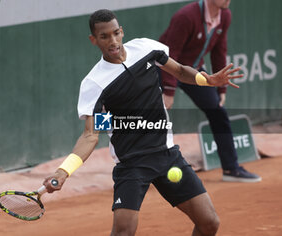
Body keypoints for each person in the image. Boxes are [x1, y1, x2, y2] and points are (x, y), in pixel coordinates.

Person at [42, 9, 243, 236]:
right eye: (104, 36)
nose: (113, 41)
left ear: (122, 31)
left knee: (209, 223)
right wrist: (62, 172)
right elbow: (91, 135)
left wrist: (205, 80)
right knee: (123, 232)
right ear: (94, 40)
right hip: (132, 164)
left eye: (116, 33)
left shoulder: (147, 49)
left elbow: (178, 71)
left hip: (167, 156)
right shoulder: (96, 84)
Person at [159, 0, 261, 182]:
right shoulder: (186, 16)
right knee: (153, 117)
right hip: (166, 69)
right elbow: (170, 54)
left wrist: (221, 86)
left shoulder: (225, 16)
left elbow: (219, 51)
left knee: (218, 112)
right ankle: (143, 169)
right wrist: (168, 90)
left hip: (194, 71)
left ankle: (231, 168)